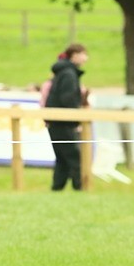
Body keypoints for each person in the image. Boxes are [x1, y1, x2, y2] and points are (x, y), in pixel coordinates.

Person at [44, 43, 88, 190]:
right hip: (64, 122)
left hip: (55, 121)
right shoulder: (69, 74)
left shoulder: (63, 72)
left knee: (62, 158)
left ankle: (57, 188)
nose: (86, 58)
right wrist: (77, 115)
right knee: (75, 157)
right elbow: (67, 99)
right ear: (75, 55)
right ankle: (79, 187)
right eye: (83, 54)